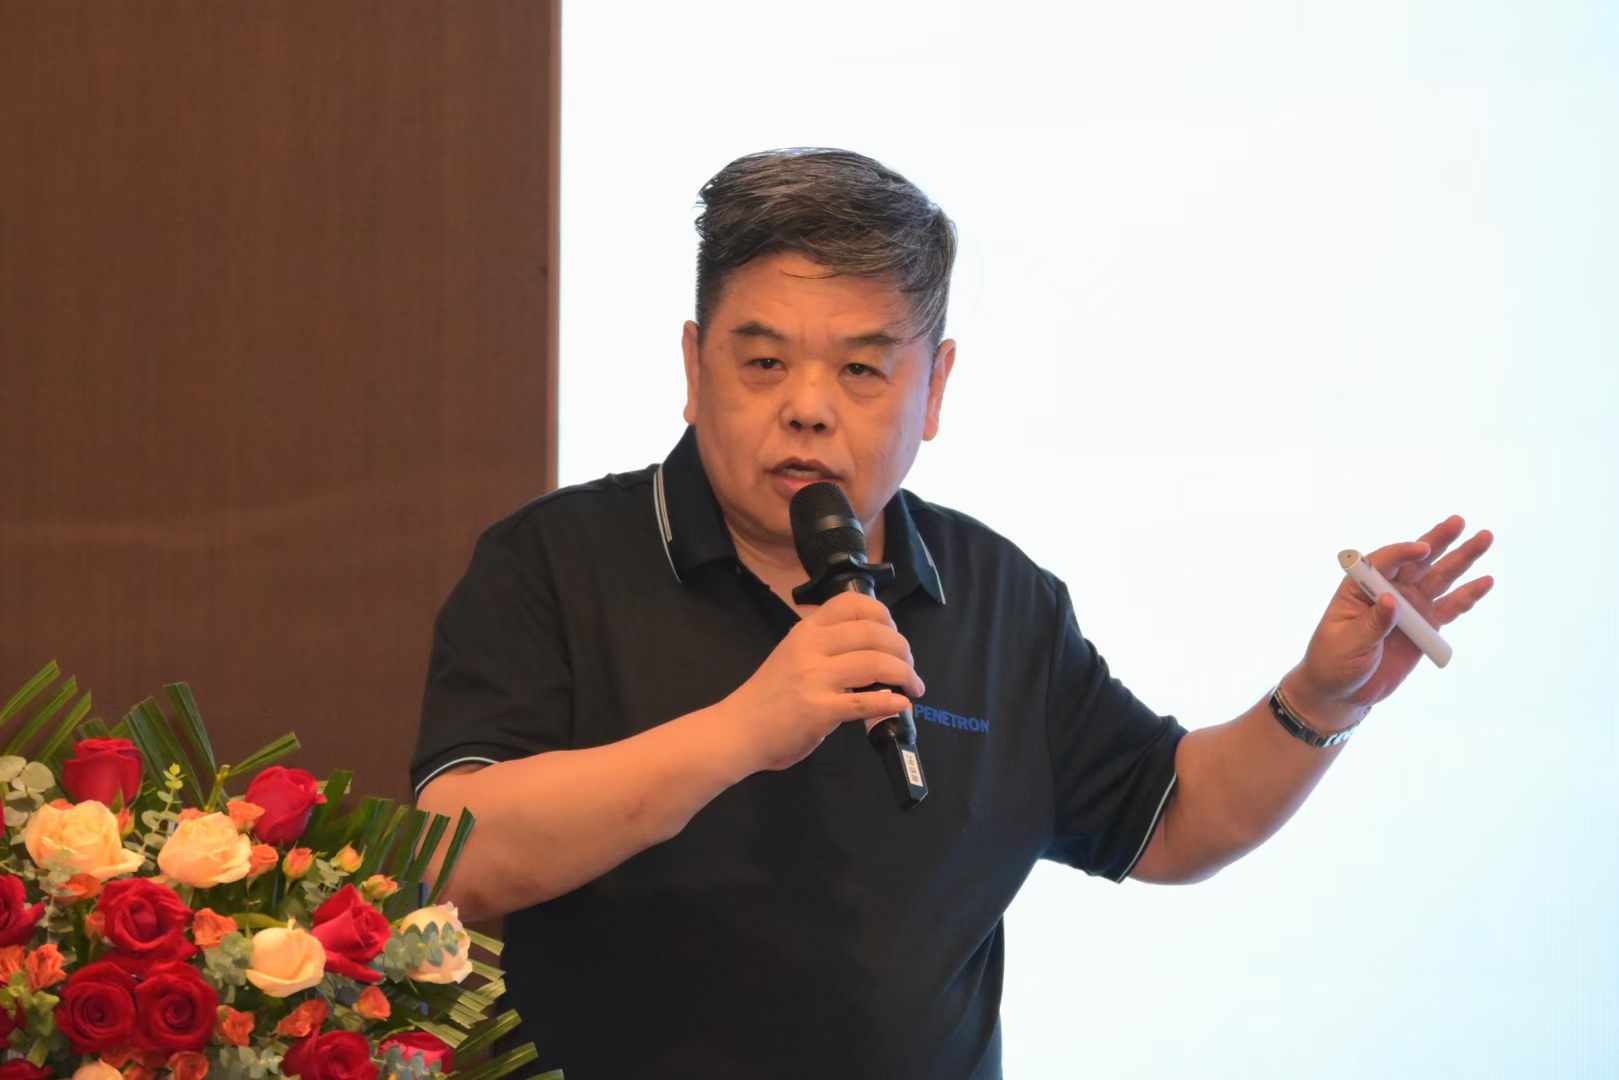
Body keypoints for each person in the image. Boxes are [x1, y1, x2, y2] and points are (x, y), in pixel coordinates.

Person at [411, 148, 1494, 1079]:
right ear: (694, 368)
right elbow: (451, 855)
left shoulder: (997, 598)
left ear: (933, 388)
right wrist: (743, 730)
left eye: (861, 369)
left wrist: (1321, 700)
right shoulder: (552, 563)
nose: (807, 406)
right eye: (763, 362)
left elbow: (1169, 819)